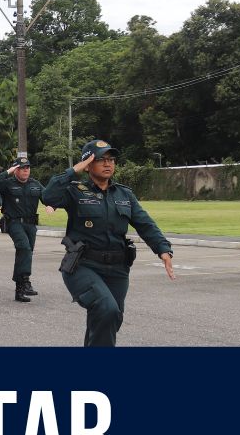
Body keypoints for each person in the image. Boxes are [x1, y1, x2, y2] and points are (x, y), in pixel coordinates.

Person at [42, 139, 176, 347]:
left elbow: (145, 224)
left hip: (117, 269)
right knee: (106, 309)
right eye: (101, 159)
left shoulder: (124, 194)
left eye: (111, 159)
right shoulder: (74, 190)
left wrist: (163, 250)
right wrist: (74, 170)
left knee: (111, 318)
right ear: (88, 165)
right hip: (82, 265)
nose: (108, 164)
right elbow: (47, 195)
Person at [0, 156, 44, 302]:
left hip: (31, 224)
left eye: (27, 168)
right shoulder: (7, 184)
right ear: (15, 170)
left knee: (26, 252)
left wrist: (53, 204)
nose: (25, 171)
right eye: (21, 168)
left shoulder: (35, 184)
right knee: (24, 248)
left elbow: (47, 197)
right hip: (14, 223)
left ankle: (22, 286)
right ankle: (23, 283)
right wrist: (7, 172)